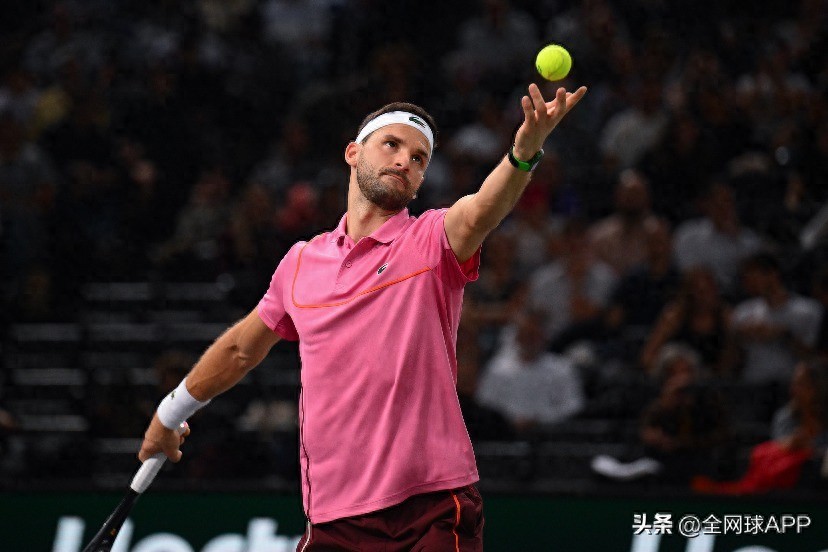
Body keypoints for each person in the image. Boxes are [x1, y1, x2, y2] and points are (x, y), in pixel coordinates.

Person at [137, 83, 588, 551]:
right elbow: (238, 350)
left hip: (429, 508)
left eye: (418, 158)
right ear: (353, 153)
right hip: (332, 520)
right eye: (392, 145)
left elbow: (479, 213)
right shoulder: (301, 262)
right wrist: (170, 413)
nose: (405, 161)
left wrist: (523, 154)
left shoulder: (432, 240)